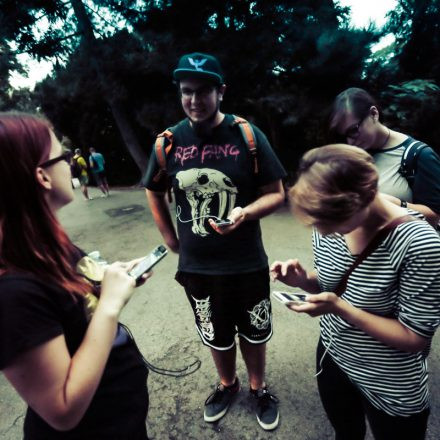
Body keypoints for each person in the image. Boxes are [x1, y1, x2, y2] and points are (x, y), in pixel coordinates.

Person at [142, 52, 286, 430]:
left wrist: (246, 212)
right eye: (186, 91)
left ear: (221, 92)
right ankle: (227, 384)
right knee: (215, 334)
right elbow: (153, 190)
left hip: (246, 261)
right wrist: (171, 239)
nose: (194, 100)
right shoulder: (168, 142)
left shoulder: (247, 135)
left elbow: (276, 193)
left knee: (254, 331)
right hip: (198, 266)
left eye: (203, 91)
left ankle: (258, 387)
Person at [271, 144, 440, 440]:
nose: (321, 232)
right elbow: (330, 283)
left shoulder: (420, 245)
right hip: (334, 355)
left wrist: (341, 308)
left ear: (361, 201)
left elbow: (415, 338)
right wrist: (303, 280)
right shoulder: (329, 217)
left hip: (391, 383)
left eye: (328, 224)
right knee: (346, 433)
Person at [0, 113, 151, 439]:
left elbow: (66, 303)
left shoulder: (41, 244)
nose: (71, 163)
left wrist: (111, 280)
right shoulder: (10, 292)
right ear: (42, 176)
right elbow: (62, 409)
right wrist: (110, 304)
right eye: (64, 157)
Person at [329, 87, 440, 226]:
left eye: (354, 130)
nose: (350, 141)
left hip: (403, 246)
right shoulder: (353, 155)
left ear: (374, 114)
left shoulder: (419, 155)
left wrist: (395, 203)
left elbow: (434, 217)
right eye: (345, 135)